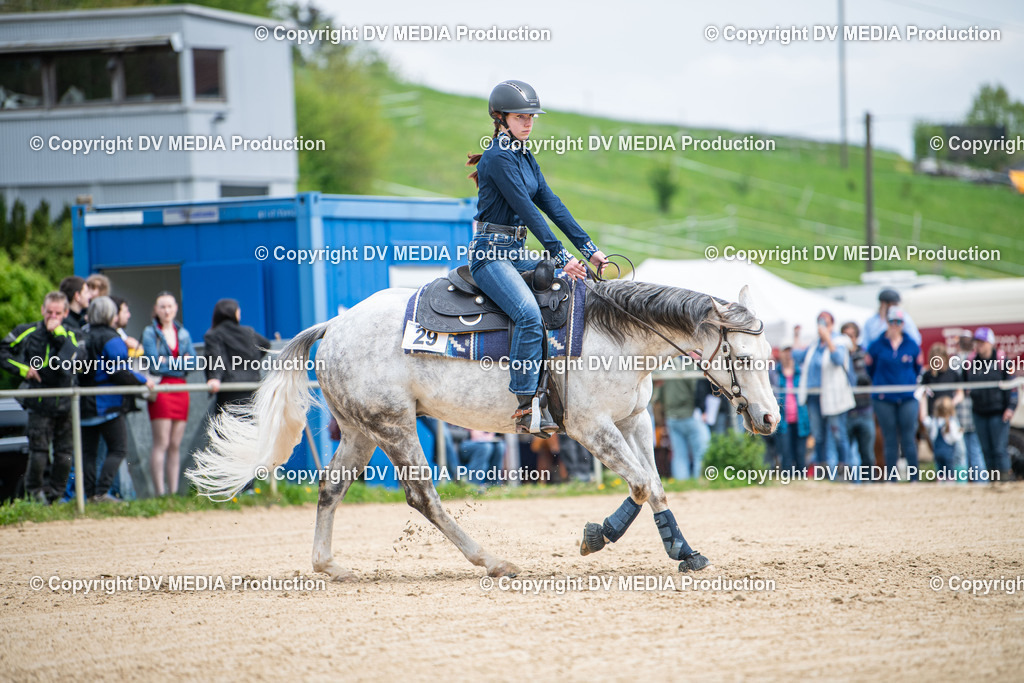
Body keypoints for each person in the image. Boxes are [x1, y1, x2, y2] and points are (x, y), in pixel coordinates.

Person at [465, 79, 609, 434]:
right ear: (500, 118)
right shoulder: (498, 157)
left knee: (573, 292)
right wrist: (560, 256)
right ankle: (526, 403)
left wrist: (589, 249)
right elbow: (528, 210)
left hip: (516, 253)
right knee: (528, 315)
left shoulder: (525, 156)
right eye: (520, 117)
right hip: (490, 255)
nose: (528, 122)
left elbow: (551, 204)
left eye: (531, 117)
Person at [0, 292, 80, 503]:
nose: (52, 317)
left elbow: (77, 360)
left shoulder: (72, 334)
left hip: (65, 403)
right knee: (38, 452)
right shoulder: (28, 331)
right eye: (49, 312)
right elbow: (3, 351)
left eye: (57, 313)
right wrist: (23, 369)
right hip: (39, 403)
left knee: (65, 454)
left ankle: (57, 496)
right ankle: (35, 494)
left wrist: (59, 335)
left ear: (65, 313)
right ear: (43, 310)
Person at [80, 296, 153, 501]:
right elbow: (120, 372)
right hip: (107, 404)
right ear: (110, 314)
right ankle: (102, 492)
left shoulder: (81, 335)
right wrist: (142, 381)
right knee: (118, 449)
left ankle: (89, 496)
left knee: (88, 453)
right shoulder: (112, 339)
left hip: (82, 403)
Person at [142, 291, 197, 495]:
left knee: (175, 444)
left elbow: (193, 363)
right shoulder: (150, 332)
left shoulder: (183, 333)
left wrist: (168, 362)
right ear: (156, 310)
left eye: (170, 306)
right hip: (161, 388)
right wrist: (180, 362)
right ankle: (160, 493)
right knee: (162, 442)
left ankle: (173, 493)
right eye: (162, 307)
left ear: (176, 308)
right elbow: (154, 365)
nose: (166, 311)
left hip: (181, 388)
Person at [794, 312, 855, 478]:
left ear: (832, 324)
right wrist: (796, 337)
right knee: (818, 436)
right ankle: (822, 472)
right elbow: (797, 356)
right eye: (819, 322)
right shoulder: (814, 345)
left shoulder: (840, 341)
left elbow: (838, 359)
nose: (822, 326)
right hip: (814, 396)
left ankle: (844, 472)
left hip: (834, 397)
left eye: (825, 322)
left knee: (838, 434)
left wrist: (828, 338)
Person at [866, 307, 922, 481]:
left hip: (907, 397)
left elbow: (917, 367)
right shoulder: (877, 345)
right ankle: (892, 478)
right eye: (892, 322)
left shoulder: (911, 344)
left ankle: (914, 478)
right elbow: (870, 368)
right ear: (887, 323)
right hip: (884, 399)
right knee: (889, 439)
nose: (895, 325)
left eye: (898, 322)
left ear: (903, 324)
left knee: (908, 438)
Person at [964, 327, 1017, 479]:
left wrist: (1011, 407)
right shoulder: (970, 362)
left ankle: (1005, 482)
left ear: (990, 343)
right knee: (986, 451)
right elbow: (964, 383)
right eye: (977, 342)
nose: (979, 345)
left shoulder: (1002, 360)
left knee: (999, 450)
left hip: (998, 412)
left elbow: (1013, 386)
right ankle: (992, 483)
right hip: (979, 412)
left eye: (982, 342)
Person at [203, 298, 271, 414]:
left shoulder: (214, 334)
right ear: (234, 313)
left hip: (230, 390)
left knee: (227, 423)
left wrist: (214, 377)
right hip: (252, 389)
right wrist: (253, 360)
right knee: (250, 423)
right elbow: (266, 345)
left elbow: (215, 357)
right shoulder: (248, 332)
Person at [652, 376, 711, 480]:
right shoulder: (688, 370)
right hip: (691, 415)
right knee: (702, 451)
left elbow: (659, 397)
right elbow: (696, 390)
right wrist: (702, 409)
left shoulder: (666, 371)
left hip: (672, 418)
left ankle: (682, 482)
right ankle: (701, 479)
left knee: (679, 455)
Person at [841, 322, 876, 478]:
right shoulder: (839, 356)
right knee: (846, 454)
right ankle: (849, 483)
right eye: (845, 335)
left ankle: (869, 482)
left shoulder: (865, 354)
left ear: (857, 337)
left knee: (867, 453)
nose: (849, 339)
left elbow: (871, 376)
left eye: (851, 335)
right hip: (845, 412)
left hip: (865, 410)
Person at [952, 330, 985, 479]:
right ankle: (980, 482)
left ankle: (963, 483)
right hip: (976, 412)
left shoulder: (955, 362)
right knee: (976, 452)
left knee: (961, 454)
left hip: (959, 414)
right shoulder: (977, 361)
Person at [774, 343, 809, 474]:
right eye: (785, 351)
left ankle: (801, 478)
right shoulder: (774, 373)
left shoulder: (801, 371)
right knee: (786, 453)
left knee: (801, 453)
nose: (788, 355)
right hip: (783, 420)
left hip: (801, 419)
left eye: (790, 351)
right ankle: (787, 479)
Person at [921, 396, 961, 482]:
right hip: (949, 453)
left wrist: (923, 399)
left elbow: (924, 420)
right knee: (950, 473)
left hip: (937, 452)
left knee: (940, 472)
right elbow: (955, 437)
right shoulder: (952, 422)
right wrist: (960, 432)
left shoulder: (934, 421)